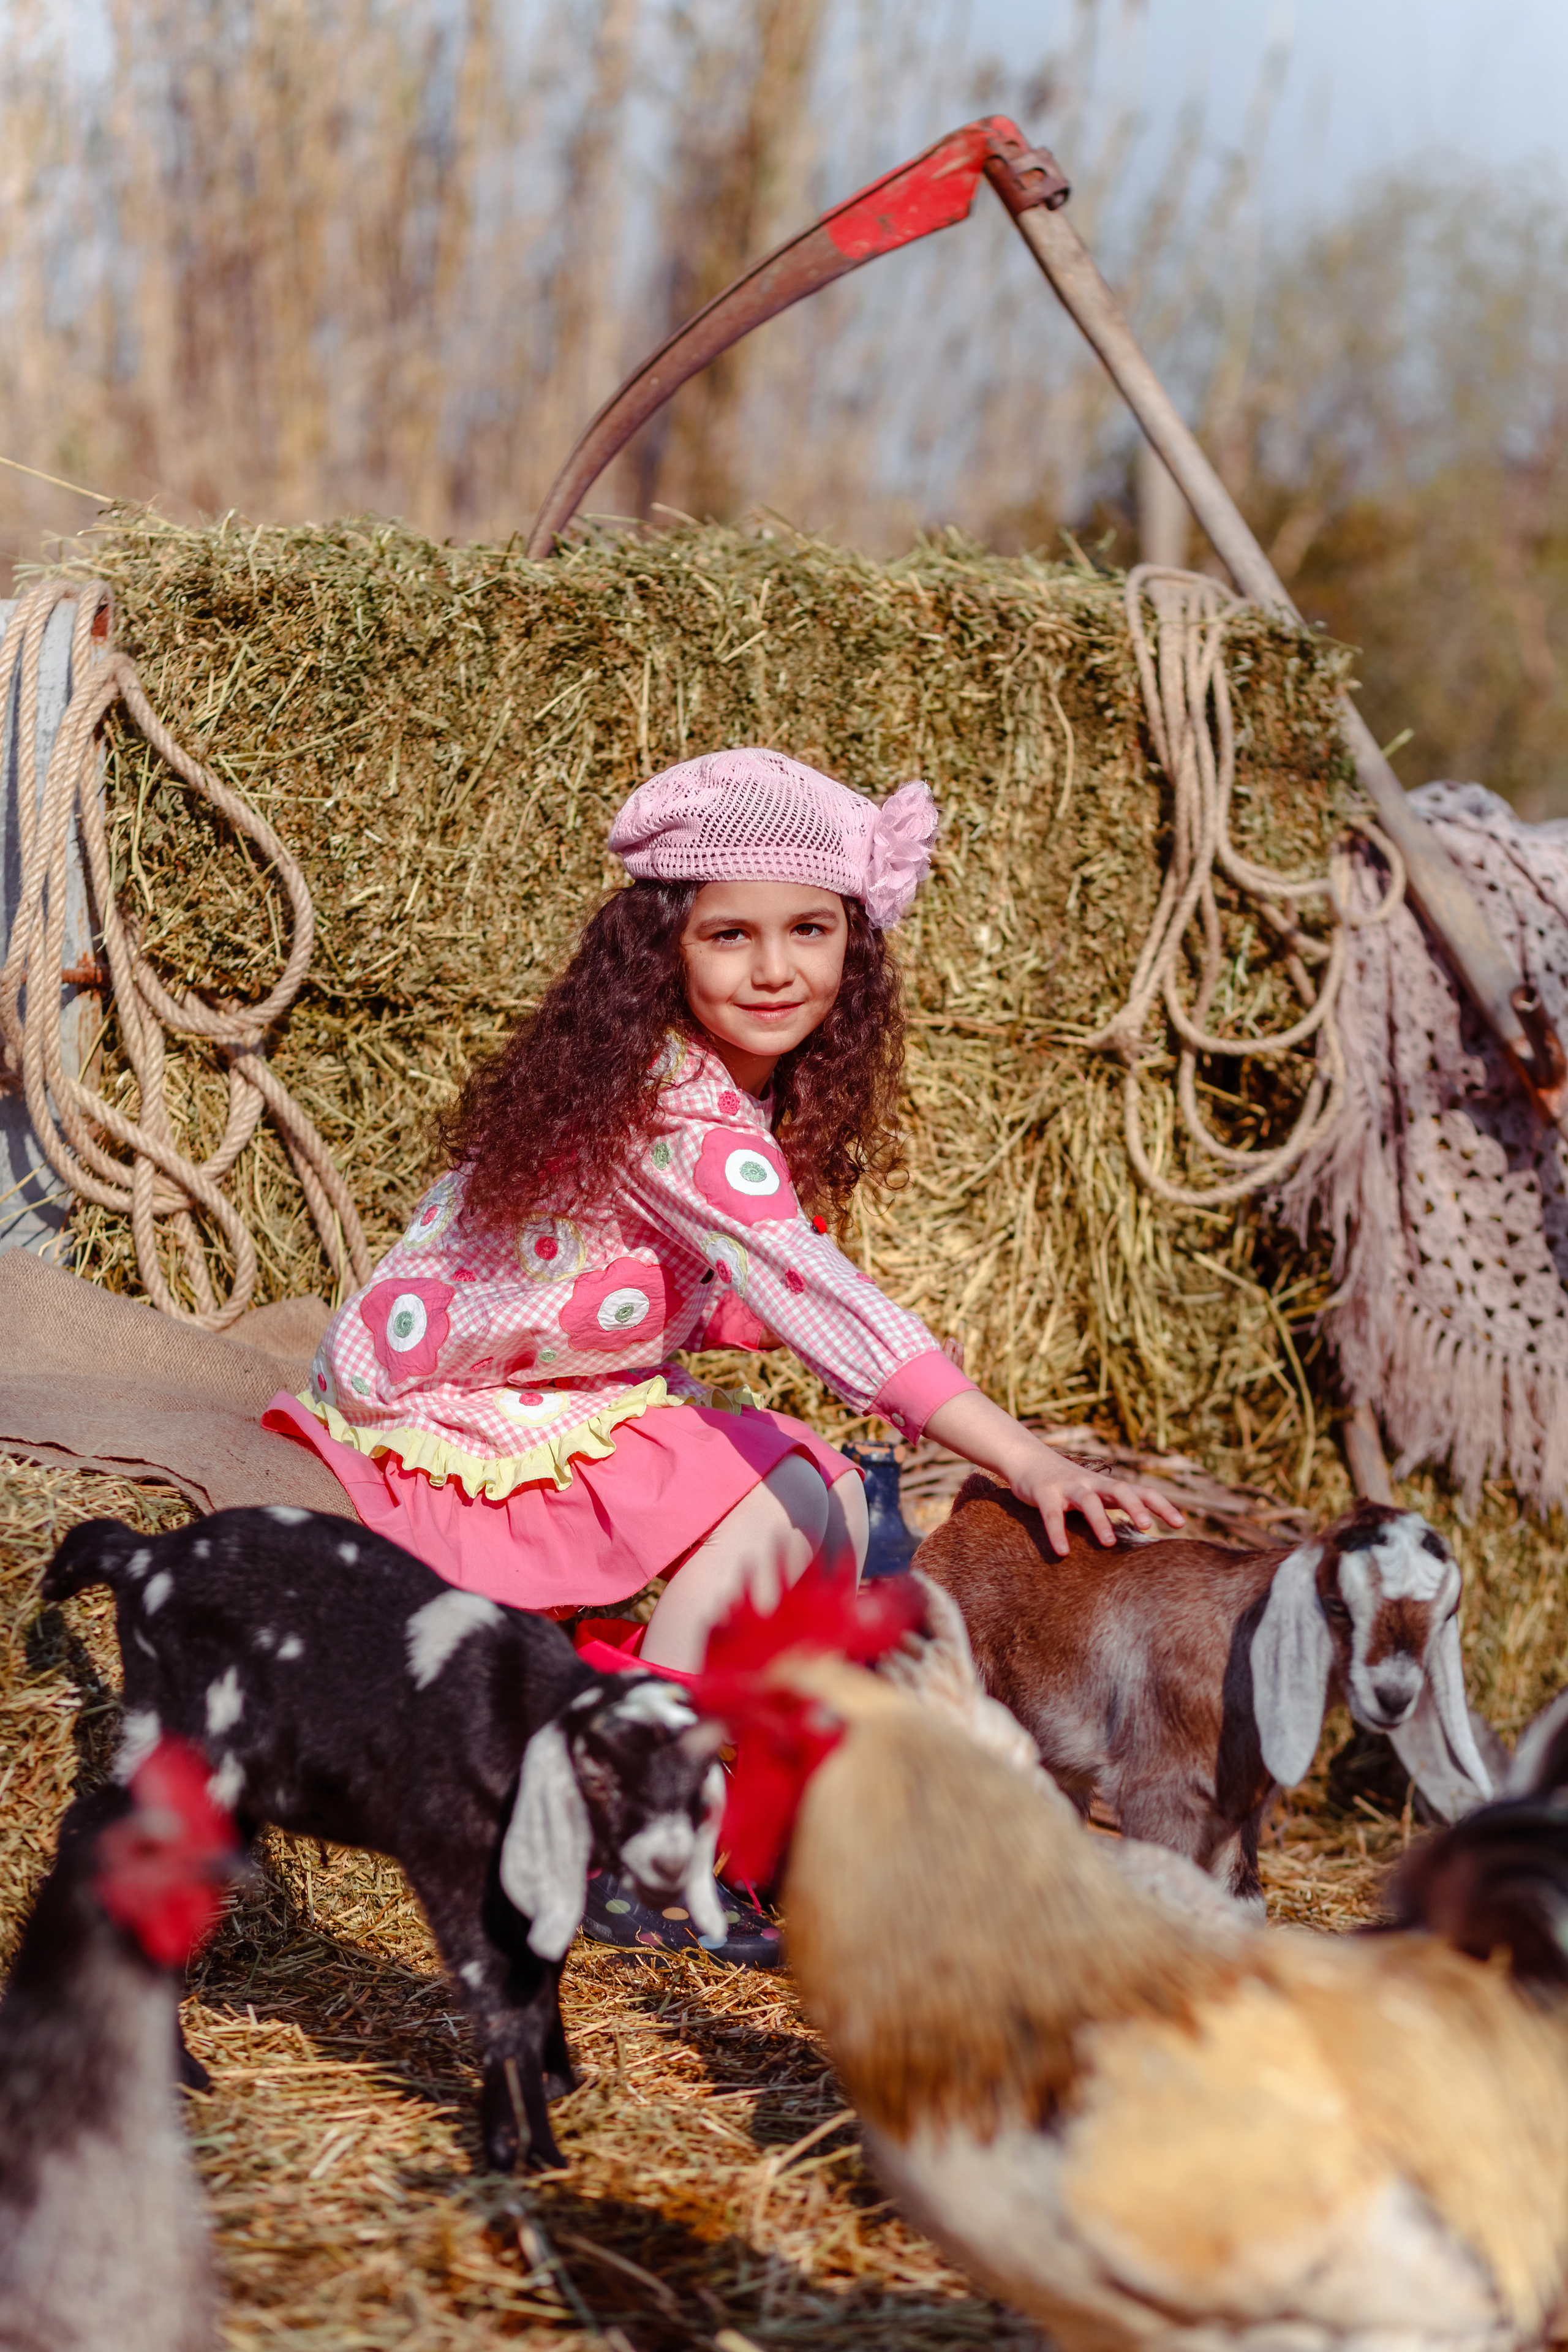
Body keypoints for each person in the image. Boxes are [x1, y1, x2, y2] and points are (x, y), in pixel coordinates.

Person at [263, 746, 1182, 1958]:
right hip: (452, 1402)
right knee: (754, 1503)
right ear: (662, 951)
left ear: (854, 945)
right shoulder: (670, 1099)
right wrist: (1023, 1459)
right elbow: (803, 1285)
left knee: (826, 1497)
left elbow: (692, 1276)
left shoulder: (727, 1086)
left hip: (564, 1376)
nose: (774, 970)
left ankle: (728, 1791)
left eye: (808, 930)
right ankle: (618, 1814)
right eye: (728, 936)